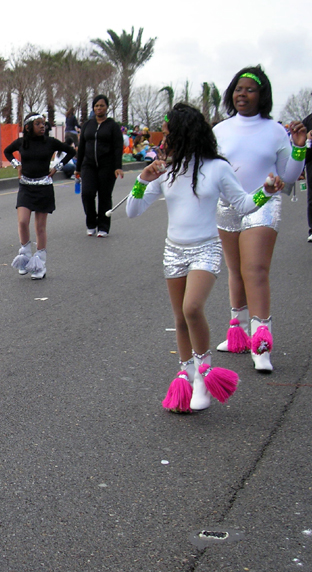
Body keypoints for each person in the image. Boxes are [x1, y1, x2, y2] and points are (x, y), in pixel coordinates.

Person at [126, 104, 285, 412]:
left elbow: (242, 205)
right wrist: (143, 180)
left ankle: (204, 375)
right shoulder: (165, 170)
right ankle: (186, 376)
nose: (164, 139)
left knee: (192, 308)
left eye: (170, 132)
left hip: (206, 249)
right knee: (180, 319)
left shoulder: (217, 168)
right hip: (173, 251)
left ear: (185, 134)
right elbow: (133, 211)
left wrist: (265, 190)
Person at [213, 66, 307, 373]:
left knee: (255, 269)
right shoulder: (220, 130)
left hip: (263, 205)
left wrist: (299, 147)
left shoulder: (276, 131)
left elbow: (290, 176)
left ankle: (262, 341)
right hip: (227, 207)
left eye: (249, 89)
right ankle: (236, 332)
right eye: (238, 88)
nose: (242, 94)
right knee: (236, 270)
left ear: (261, 95)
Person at [4, 113, 75, 280]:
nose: (42, 126)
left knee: (40, 227)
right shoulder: (22, 142)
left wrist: (57, 166)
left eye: (43, 123)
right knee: (22, 222)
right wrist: (17, 165)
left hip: (44, 187)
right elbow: (7, 151)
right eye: (38, 123)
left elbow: (71, 151)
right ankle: (26, 257)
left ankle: (40, 263)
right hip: (26, 187)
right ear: (28, 127)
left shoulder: (50, 142)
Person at [75, 94, 124, 238]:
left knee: (104, 196)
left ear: (107, 107)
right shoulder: (87, 126)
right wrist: (78, 169)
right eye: (96, 106)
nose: (99, 108)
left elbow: (117, 147)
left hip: (107, 166)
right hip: (88, 165)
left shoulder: (113, 126)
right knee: (87, 194)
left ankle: (103, 227)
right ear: (93, 108)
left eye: (102, 105)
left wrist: (118, 166)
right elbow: (82, 147)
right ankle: (91, 223)